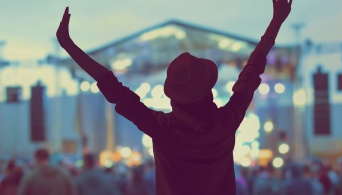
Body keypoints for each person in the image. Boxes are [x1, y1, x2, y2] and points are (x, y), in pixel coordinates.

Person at [56, 0, 292, 194]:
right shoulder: (226, 122)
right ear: (207, 92)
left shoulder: (162, 128)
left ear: (174, 98)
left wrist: (69, 46)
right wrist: (275, 22)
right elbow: (252, 70)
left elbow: (113, 89)